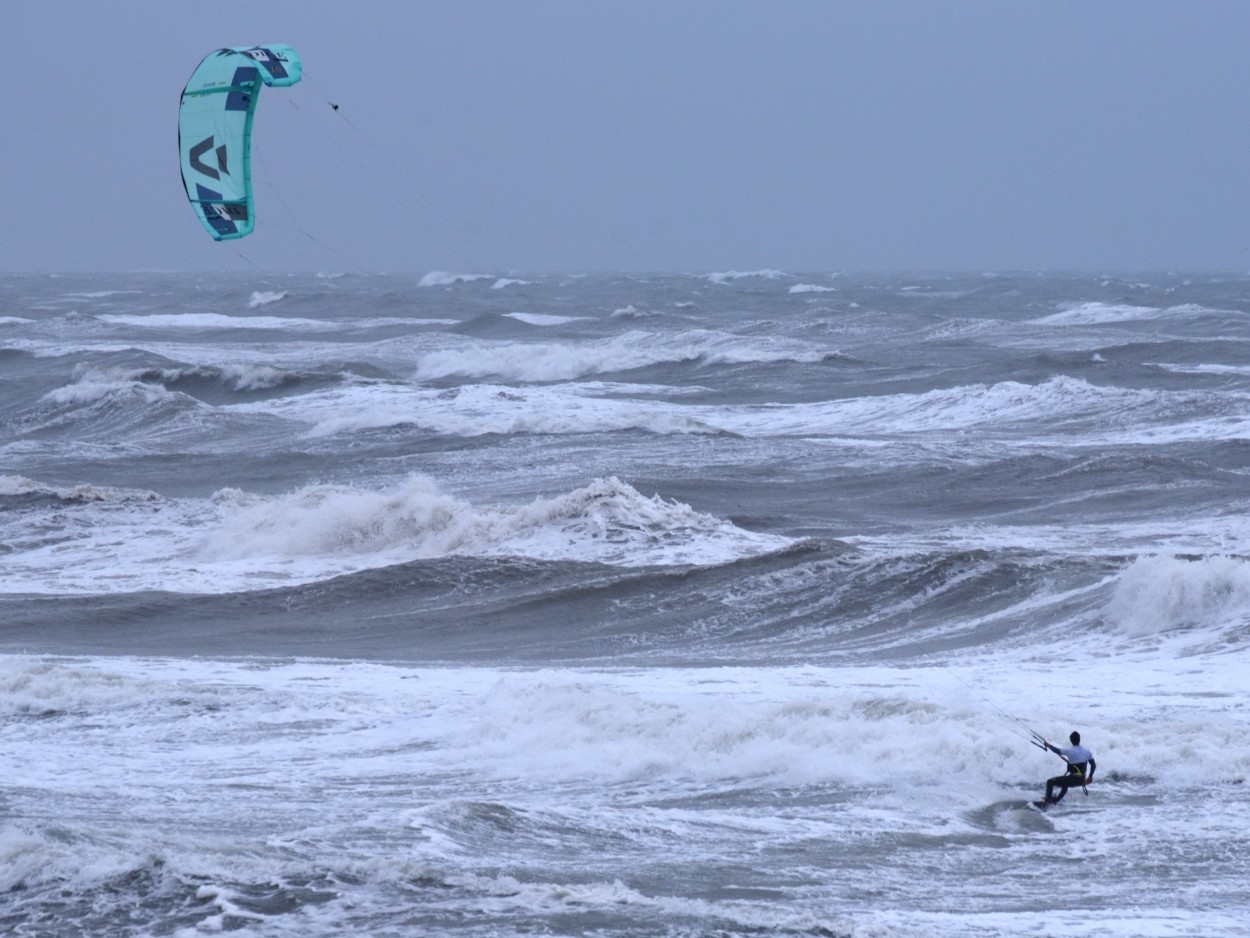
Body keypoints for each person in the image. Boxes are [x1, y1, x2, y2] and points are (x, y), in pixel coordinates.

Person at [1038, 731, 1095, 807]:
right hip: (1081, 780)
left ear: (1071, 740)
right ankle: (1055, 800)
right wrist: (1090, 776)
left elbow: (1056, 750)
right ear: (1079, 740)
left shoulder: (1069, 750)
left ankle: (1046, 802)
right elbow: (1093, 765)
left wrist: (1048, 745)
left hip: (1073, 779)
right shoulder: (1087, 752)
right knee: (1065, 783)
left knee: (1050, 782)